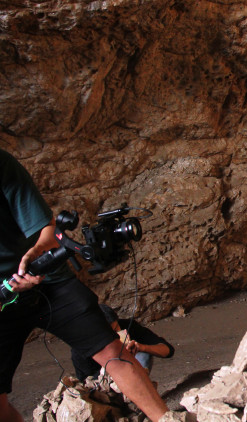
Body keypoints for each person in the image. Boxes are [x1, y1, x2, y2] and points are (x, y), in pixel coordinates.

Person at [0, 148, 168, 422]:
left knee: (112, 353)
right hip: (3, 301)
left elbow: (47, 230)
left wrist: (38, 252)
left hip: (49, 280)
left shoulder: (2, 164)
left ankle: (166, 420)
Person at [71, 304, 174, 381]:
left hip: (134, 375)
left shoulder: (128, 326)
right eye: (111, 334)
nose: (117, 335)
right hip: (106, 384)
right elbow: (87, 382)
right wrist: (116, 358)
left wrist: (141, 347)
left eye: (117, 328)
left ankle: (140, 390)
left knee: (143, 355)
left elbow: (168, 350)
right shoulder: (81, 347)